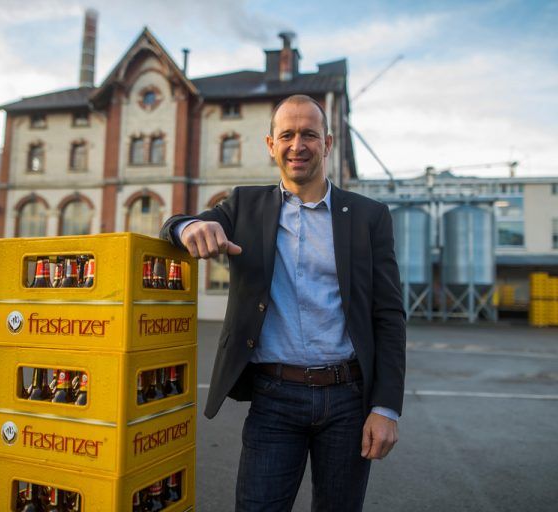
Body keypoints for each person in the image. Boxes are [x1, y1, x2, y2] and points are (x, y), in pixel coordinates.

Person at [160, 94, 406, 512]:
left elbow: (389, 315)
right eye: (287, 135)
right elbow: (174, 224)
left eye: (309, 134)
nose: (298, 145)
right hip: (274, 398)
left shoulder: (369, 216)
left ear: (327, 144)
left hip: (348, 397)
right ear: (270, 144)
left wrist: (386, 408)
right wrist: (188, 227)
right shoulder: (244, 206)